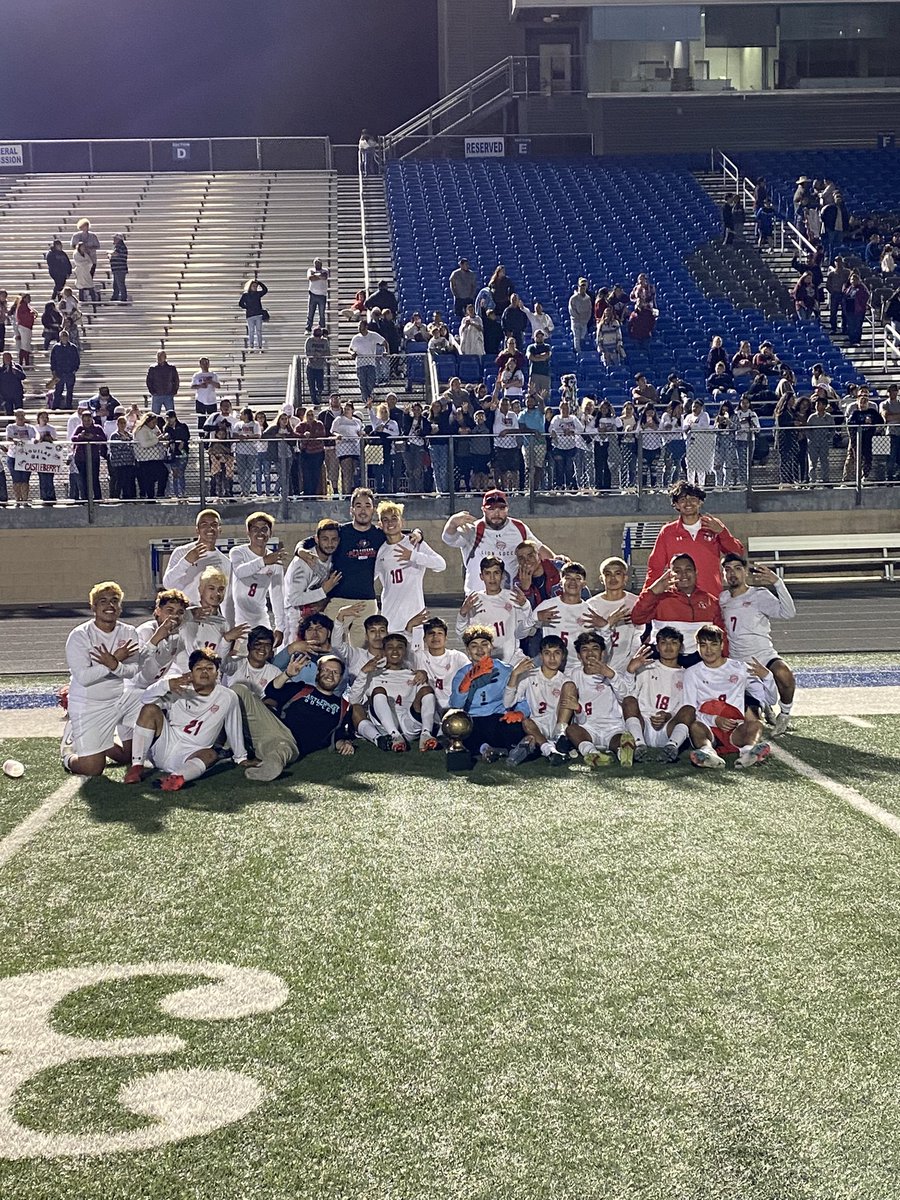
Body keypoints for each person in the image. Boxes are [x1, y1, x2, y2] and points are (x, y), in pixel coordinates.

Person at [124, 648, 247, 790]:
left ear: (217, 672)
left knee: (211, 754)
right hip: (166, 744)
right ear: (191, 672)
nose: (204, 672)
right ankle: (136, 767)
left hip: (192, 753)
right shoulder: (179, 687)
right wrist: (166, 685)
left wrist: (241, 757)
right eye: (199, 668)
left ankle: (175, 778)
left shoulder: (227, 696)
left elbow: (234, 726)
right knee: (149, 709)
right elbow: (146, 699)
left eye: (209, 668)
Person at [61, 581, 142, 777]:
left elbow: (132, 671)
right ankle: (67, 751)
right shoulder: (80, 635)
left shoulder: (129, 632)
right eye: (103, 601)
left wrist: (114, 664)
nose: (109, 605)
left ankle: (101, 742)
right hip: (89, 705)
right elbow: (84, 677)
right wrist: (113, 662)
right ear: (93, 607)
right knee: (92, 769)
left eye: (115, 600)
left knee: (128, 755)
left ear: (120, 606)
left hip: (118, 700)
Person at [236, 654, 356, 782]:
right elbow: (271, 691)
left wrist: (345, 743)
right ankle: (227, 745)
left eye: (335, 672)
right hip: (273, 727)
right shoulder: (301, 688)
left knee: (281, 749)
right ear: (317, 673)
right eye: (326, 670)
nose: (330, 675)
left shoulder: (343, 707)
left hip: (290, 744)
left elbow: (337, 735)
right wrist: (287, 674)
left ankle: (269, 767)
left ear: (341, 678)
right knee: (239, 690)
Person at [720, 555, 796, 737]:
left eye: (737, 568)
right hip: (737, 660)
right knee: (750, 719)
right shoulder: (722, 599)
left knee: (784, 674)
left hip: (763, 655)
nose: (732, 573)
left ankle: (784, 714)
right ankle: (764, 705)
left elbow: (788, 612)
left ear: (745, 572)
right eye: (727, 569)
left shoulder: (759, 595)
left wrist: (777, 583)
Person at [683, 624, 775, 769]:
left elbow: (771, 699)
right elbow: (690, 710)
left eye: (713, 644)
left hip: (735, 728)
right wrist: (714, 719)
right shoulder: (692, 673)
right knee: (694, 726)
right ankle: (708, 752)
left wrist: (768, 677)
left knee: (756, 724)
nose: (708, 650)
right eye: (703, 645)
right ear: (697, 647)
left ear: (722, 645)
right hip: (708, 727)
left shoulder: (740, 668)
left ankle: (748, 752)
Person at [645, 480, 745, 598]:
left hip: (711, 596)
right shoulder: (668, 532)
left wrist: (722, 532)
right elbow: (655, 568)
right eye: (683, 500)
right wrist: (646, 597)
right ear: (676, 505)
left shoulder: (713, 526)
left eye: (693, 499)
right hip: (677, 599)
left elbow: (738, 554)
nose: (688, 503)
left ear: (700, 502)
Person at [447, 625, 528, 763]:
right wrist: (466, 683)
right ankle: (487, 750)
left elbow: (521, 699)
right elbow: (455, 705)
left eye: (484, 644)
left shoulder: (506, 670)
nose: (480, 649)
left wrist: (520, 712)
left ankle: (506, 749)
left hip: (497, 717)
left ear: (491, 647)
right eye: (474, 646)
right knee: (458, 730)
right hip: (473, 719)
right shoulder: (462, 674)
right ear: (467, 650)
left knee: (514, 728)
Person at [442, 489, 548, 594]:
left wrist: (556, 564)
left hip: (511, 598)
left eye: (501, 508)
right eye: (491, 508)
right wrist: (452, 523)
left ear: (507, 509)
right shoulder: (473, 529)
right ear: (483, 510)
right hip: (478, 599)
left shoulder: (519, 528)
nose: (496, 513)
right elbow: (449, 539)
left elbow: (539, 549)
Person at [350, 632, 439, 754]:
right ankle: (394, 736)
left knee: (426, 690)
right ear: (384, 651)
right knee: (375, 693)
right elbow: (353, 700)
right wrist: (363, 672)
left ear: (405, 651)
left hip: (410, 723)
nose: (395, 651)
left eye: (400, 647)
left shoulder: (414, 674)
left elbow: (427, 700)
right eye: (390, 647)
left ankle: (426, 734)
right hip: (385, 728)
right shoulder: (374, 675)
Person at [374, 500, 445, 647]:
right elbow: (369, 578)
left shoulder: (415, 543)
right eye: (385, 520)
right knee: (393, 656)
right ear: (380, 524)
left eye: (394, 518)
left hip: (415, 615)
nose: (390, 523)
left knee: (416, 657)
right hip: (391, 616)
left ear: (402, 522)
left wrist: (413, 556)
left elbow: (440, 564)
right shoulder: (380, 551)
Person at [631, 554, 728, 661]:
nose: (683, 574)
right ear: (670, 574)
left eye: (688, 569)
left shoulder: (711, 601)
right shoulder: (658, 598)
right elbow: (637, 618)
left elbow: (721, 636)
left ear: (696, 572)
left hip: (700, 661)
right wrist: (652, 591)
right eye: (677, 571)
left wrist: (724, 660)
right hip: (663, 661)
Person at [563, 630, 637, 767]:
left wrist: (610, 675)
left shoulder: (613, 673)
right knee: (572, 729)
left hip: (613, 728)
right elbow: (575, 711)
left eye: (595, 648)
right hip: (588, 728)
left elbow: (625, 698)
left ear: (602, 653)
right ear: (579, 656)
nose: (590, 653)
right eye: (585, 649)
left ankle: (622, 753)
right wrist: (578, 709)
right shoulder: (574, 675)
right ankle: (592, 753)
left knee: (621, 739)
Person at [502, 636, 578, 766]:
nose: (552, 658)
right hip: (536, 727)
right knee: (526, 723)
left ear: (563, 656)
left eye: (557, 653)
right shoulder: (530, 675)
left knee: (570, 686)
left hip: (557, 726)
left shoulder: (566, 680)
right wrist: (514, 675)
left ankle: (558, 737)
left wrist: (577, 707)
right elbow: (507, 703)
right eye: (547, 653)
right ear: (541, 656)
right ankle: (549, 750)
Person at [620, 629, 691, 763]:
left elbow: (686, 705)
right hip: (644, 726)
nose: (668, 647)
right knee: (629, 701)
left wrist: (669, 715)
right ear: (657, 647)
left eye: (674, 643)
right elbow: (627, 695)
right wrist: (630, 671)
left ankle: (671, 747)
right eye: (663, 643)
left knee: (689, 710)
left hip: (668, 727)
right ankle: (639, 746)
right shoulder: (646, 667)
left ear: (681, 647)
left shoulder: (688, 675)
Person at [455, 555, 535, 664]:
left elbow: (526, 631)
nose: (492, 578)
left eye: (496, 573)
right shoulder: (473, 601)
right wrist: (462, 614)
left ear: (502, 575)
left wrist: (525, 606)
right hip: (484, 662)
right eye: (488, 573)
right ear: (481, 576)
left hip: (513, 660)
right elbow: (461, 636)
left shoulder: (513, 598)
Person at [229, 511, 287, 644]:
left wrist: (280, 627)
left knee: (264, 653)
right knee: (237, 655)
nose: (260, 533)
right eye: (255, 529)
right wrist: (263, 561)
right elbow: (240, 572)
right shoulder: (238, 552)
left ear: (270, 533)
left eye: (264, 529)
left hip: (260, 618)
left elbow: (277, 595)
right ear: (248, 533)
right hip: (238, 618)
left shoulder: (275, 561)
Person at [163, 508, 232, 604]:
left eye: (214, 525)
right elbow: (168, 584)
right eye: (204, 525)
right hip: (184, 610)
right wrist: (186, 561)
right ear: (197, 530)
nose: (210, 528)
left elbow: (226, 595)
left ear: (219, 529)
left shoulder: (225, 562)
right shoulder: (182, 552)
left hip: (208, 611)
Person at [412, 617, 468, 712]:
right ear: (424, 638)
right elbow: (401, 653)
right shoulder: (418, 656)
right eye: (431, 633)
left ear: (446, 637)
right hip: (427, 708)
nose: (435, 637)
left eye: (440, 633)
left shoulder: (458, 657)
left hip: (454, 708)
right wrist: (409, 627)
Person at [222, 625, 281, 697]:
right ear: (249, 646)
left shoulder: (275, 672)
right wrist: (226, 640)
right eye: (258, 644)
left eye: (267, 645)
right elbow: (219, 663)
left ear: (271, 649)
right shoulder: (236, 664)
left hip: (261, 704)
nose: (262, 648)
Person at [842, 388, 881, 484]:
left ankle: (865, 476)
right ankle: (851, 478)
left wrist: (872, 421)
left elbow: (880, 421)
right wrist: (863, 421)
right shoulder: (855, 412)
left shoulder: (872, 411)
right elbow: (850, 423)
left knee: (868, 457)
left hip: (868, 438)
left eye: (865, 402)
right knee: (855, 457)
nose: (863, 404)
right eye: (861, 402)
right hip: (856, 438)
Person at [349, 318, 387, 407]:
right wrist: (352, 353)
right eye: (358, 326)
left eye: (361, 326)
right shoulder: (356, 338)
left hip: (370, 363)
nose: (359, 328)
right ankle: (366, 401)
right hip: (360, 364)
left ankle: (369, 397)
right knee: (362, 383)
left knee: (370, 382)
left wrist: (386, 351)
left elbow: (384, 342)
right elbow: (350, 349)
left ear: (366, 326)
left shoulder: (373, 335)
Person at [71, 409, 107, 500]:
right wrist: (81, 436)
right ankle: (85, 498)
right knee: (83, 478)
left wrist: (93, 437)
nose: (87, 422)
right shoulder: (80, 428)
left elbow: (103, 439)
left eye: (88, 420)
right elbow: (73, 438)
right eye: (85, 420)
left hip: (93, 457)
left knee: (94, 477)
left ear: (92, 419)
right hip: (81, 458)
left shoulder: (97, 428)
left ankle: (97, 498)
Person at [5, 408, 36, 506]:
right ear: (15, 417)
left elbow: (34, 437)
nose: (20, 417)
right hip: (13, 455)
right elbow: (8, 438)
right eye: (18, 415)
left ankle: (25, 500)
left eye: (22, 415)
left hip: (26, 456)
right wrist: (15, 440)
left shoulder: (30, 427)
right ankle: (18, 500)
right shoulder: (11, 427)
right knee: (16, 479)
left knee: (25, 479)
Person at [48, 331, 80, 410]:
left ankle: (69, 406)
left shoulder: (73, 347)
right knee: (58, 390)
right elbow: (53, 360)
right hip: (59, 373)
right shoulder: (56, 347)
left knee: (70, 391)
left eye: (65, 336)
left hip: (70, 373)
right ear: (60, 337)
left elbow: (77, 360)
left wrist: (74, 369)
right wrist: (53, 371)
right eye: (62, 336)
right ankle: (56, 406)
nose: (64, 337)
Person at [145, 351, 180, 417]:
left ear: (165, 357)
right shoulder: (153, 368)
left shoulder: (171, 368)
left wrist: (174, 391)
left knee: (171, 414)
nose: (159, 358)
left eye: (161, 356)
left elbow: (176, 380)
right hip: (157, 395)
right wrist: (152, 391)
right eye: (158, 356)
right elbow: (149, 381)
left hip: (168, 395)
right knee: (154, 415)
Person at [189, 357, 219, 427]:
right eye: (203, 363)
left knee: (212, 419)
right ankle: (201, 433)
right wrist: (200, 386)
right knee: (201, 419)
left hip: (211, 400)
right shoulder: (197, 375)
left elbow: (218, 385)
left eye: (206, 363)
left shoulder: (213, 375)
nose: (205, 365)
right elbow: (192, 386)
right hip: (200, 400)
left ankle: (211, 432)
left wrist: (211, 382)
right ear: (200, 364)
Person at [239, 278, 269, 352]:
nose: (255, 288)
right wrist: (247, 307)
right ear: (250, 286)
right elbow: (240, 303)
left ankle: (260, 346)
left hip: (257, 315)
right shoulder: (246, 295)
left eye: (256, 286)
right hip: (250, 316)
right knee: (251, 331)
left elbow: (265, 290)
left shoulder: (257, 294)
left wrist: (259, 283)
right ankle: (251, 346)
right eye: (253, 286)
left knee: (258, 331)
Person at [842, 272, 870, 347]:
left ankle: (857, 340)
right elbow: (845, 296)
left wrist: (861, 304)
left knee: (857, 326)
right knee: (850, 326)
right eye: (852, 280)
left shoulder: (862, 288)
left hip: (858, 310)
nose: (853, 281)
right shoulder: (849, 288)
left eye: (855, 280)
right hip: (849, 310)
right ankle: (851, 340)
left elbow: (866, 296)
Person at [303, 326, 329, 406]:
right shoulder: (309, 341)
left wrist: (320, 355)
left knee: (320, 385)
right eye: (316, 337)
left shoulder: (324, 341)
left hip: (320, 367)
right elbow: (307, 352)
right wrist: (313, 356)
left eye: (319, 337)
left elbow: (328, 352)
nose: (317, 339)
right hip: (310, 367)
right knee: (311, 385)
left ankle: (318, 395)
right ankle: (314, 401)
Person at [449, 257, 479, 322]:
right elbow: (452, 284)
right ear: (461, 265)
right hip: (459, 297)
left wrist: (471, 295)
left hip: (468, 297)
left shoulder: (471, 274)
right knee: (458, 313)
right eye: (465, 264)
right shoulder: (455, 273)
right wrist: (455, 294)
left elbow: (474, 285)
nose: (467, 266)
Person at [568, 278, 592, 352]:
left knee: (583, 337)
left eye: (584, 286)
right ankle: (578, 352)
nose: (583, 288)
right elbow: (572, 310)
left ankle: (584, 351)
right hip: (576, 321)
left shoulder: (588, 298)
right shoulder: (573, 298)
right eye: (581, 286)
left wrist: (586, 319)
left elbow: (589, 310)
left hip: (584, 322)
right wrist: (578, 317)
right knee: (577, 338)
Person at [306, 258, 329, 332]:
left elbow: (324, 277)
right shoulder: (310, 270)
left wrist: (315, 275)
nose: (317, 264)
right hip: (312, 294)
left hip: (322, 295)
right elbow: (310, 278)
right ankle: (308, 328)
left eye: (318, 263)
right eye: (316, 263)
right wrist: (319, 276)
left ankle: (322, 328)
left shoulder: (325, 270)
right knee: (310, 312)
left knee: (322, 313)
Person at [0, 353, 25, 418]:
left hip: (17, 394)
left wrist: (16, 371)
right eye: (5, 358)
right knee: (9, 413)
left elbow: (23, 377)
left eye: (8, 357)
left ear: (11, 358)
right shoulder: (1, 368)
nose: (7, 359)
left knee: (19, 412)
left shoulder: (17, 367)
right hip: (6, 395)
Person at [109, 234, 128, 302]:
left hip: (120, 268)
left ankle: (123, 298)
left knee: (120, 284)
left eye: (115, 238)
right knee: (116, 284)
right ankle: (115, 296)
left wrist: (109, 253)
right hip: (117, 268)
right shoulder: (118, 246)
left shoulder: (120, 245)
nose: (113, 240)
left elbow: (116, 253)